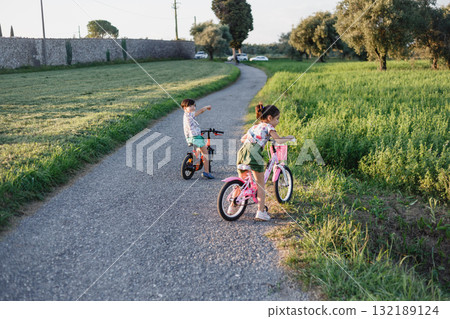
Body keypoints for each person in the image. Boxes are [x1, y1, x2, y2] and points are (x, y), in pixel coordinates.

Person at [232, 103, 294, 221]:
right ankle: (260, 212)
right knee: (261, 184)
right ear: (269, 118)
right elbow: (279, 140)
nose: (278, 121)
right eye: (277, 119)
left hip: (242, 152)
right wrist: (289, 137)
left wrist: (258, 139)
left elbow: (242, 139)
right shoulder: (269, 127)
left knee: (242, 181)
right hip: (254, 154)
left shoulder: (255, 126)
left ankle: (232, 206)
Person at [181, 98, 215, 179]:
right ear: (185, 108)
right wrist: (206, 107)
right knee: (205, 153)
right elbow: (200, 111)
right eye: (190, 106)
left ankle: (196, 163)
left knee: (198, 150)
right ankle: (206, 172)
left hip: (190, 137)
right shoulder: (189, 115)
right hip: (195, 137)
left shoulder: (186, 115)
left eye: (194, 105)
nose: (193, 107)